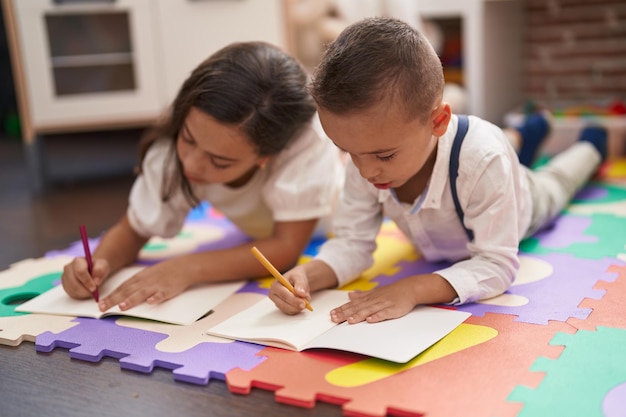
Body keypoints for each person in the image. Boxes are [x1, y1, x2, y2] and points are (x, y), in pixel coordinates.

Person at [269, 17, 608, 324]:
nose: (365, 170)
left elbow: (497, 266)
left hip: (525, 198)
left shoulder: (483, 157)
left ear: (438, 121)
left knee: (559, 180)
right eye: (348, 152)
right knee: (503, 150)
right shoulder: (366, 154)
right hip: (479, 167)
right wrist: (307, 276)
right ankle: (525, 135)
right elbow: (352, 243)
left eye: (384, 155)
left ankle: (593, 144)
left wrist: (413, 289)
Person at [61, 41, 345, 312]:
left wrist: (187, 268)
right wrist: (98, 264)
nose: (192, 165)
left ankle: (345, 157)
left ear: (266, 157)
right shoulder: (189, 135)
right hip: (259, 227)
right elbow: (133, 229)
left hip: (331, 212)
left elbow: (286, 246)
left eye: (219, 161)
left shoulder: (304, 144)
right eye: (188, 138)